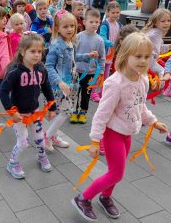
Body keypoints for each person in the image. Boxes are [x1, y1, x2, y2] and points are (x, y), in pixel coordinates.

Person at [72, 32, 168, 221]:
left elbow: (140, 106)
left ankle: (105, 197)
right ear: (125, 55)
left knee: (116, 172)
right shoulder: (115, 83)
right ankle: (83, 198)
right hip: (113, 134)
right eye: (138, 56)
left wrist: (154, 122)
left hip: (128, 133)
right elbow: (102, 114)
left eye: (147, 56)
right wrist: (94, 140)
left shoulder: (142, 80)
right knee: (116, 173)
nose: (143, 61)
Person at [0, 33, 57, 177]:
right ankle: (12, 163)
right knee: (23, 142)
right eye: (33, 51)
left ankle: (41, 156)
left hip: (34, 113)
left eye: (39, 52)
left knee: (39, 138)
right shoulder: (14, 72)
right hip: (18, 115)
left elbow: (46, 87)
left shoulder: (41, 69)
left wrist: (52, 107)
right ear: (22, 51)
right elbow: (3, 91)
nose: (37, 55)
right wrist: (11, 111)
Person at [45, 10, 98, 152]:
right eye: (65, 26)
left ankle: (53, 136)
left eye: (72, 26)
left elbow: (74, 58)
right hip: (58, 86)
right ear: (57, 28)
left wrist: (87, 56)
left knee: (58, 112)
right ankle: (47, 136)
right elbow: (48, 66)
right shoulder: (57, 45)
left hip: (69, 84)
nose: (69, 29)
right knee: (66, 112)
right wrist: (59, 82)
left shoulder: (70, 42)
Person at [70, 9, 105, 125]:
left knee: (86, 94)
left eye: (96, 22)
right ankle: (74, 111)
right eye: (91, 22)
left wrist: (101, 71)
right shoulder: (78, 37)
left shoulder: (100, 40)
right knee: (74, 92)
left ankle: (83, 112)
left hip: (90, 73)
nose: (94, 24)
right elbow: (73, 54)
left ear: (99, 22)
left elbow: (102, 57)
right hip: (77, 71)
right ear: (84, 22)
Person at [91, 2, 122, 103]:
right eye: (113, 12)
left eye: (117, 12)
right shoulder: (105, 24)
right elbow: (102, 38)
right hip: (103, 53)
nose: (116, 15)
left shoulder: (119, 24)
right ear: (108, 12)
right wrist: (113, 43)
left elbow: (121, 36)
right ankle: (93, 92)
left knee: (106, 73)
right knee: (99, 72)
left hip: (111, 54)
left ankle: (102, 91)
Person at [142, 8, 171, 77]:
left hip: (149, 60)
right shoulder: (155, 34)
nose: (166, 23)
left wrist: (169, 46)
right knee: (163, 72)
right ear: (155, 22)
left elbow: (158, 47)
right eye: (163, 21)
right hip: (148, 61)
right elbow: (157, 50)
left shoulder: (156, 32)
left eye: (169, 20)